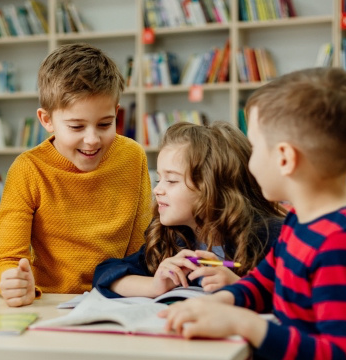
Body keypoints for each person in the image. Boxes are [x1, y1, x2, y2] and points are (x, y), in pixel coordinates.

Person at [162, 68, 346, 359]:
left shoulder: (342, 245)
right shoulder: (300, 221)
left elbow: (344, 355)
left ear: (285, 158)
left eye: (254, 148)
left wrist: (246, 324)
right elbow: (264, 282)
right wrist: (220, 301)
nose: (249, 164)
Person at [0, 43, 152, 307]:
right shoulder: (27, 170)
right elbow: (8, 259)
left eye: (105, 124)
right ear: (47, 120)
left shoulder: (133, 157)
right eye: (76, 126)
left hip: (119, 299)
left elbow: (139, 250)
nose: (92, 139)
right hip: (51, 303)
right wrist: (11, 281)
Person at [93, 121, 284, 299]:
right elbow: (106, 274)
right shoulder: (170, 236)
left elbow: (303, 299)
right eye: (160, 179)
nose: (157, 190)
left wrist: (241, 287)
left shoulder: (273, 236)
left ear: (214, 187)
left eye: (172, 180)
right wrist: (155, 286)